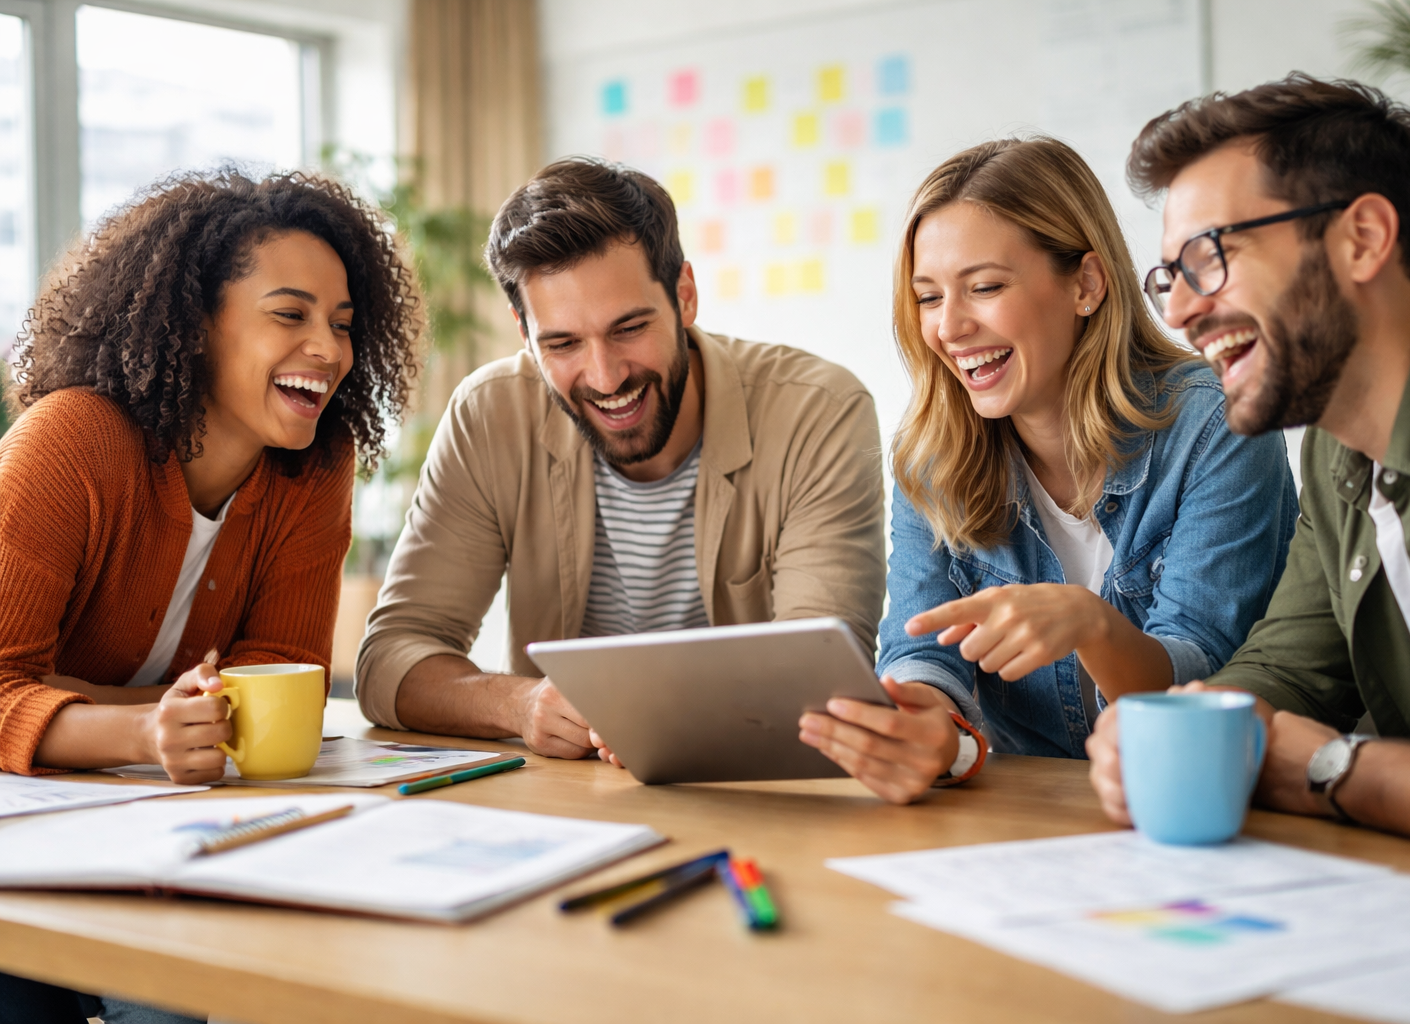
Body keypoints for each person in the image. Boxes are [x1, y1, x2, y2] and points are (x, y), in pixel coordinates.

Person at [0, 170, 420, 1022]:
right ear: (195, 324)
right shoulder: (70, 441)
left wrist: (105, 711)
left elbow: (280, 681)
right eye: (290, 314)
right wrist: (140, 727)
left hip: (171, 827)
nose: (331, 350)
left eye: (342, 325)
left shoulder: (314, 469)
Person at [1086, 74, 1410, 862]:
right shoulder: (1336, 449)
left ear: (1362, 238)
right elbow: (1287, 669)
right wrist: (1178, 731)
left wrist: (1332, 770)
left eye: (1209, 257)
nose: (1182, 312)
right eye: (1170, 279)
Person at [798, 137, 1297, 804]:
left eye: (984, 287)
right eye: (927, 297)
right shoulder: (930, 456)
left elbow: (1205, 672)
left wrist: (1094, 626)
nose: (948, 327)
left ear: (1086, 284)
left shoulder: (1214, 427)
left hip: (1210, 803)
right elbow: (923, 650)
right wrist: (927, 726)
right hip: (1037, 820)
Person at [354, 157, 885, 763]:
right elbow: (391, 659)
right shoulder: (488, 414)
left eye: (629, 328)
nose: (605, 377)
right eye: (562, 343)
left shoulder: (818, 412)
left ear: (684, 295)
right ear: (523, 332)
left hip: (759, 794)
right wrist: (520, 705)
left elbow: (822, 684)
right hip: (572, 802)